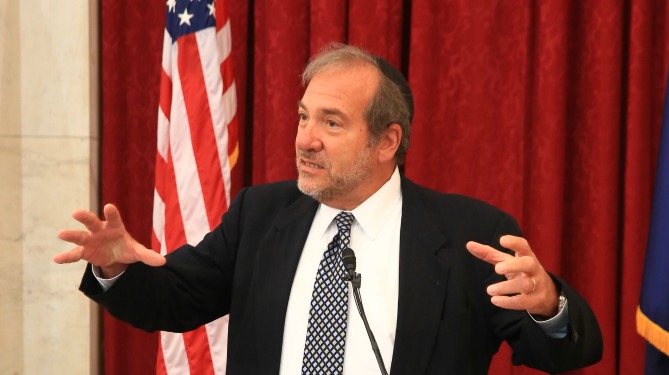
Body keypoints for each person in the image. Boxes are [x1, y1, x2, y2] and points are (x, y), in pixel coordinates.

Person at [55, 44, 602, 374]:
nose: (305, 139)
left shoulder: (470, 234)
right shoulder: (261, 214)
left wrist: (548, 307)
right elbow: (173, 302)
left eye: (331, 123)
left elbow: (561, 355)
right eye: (303, 117)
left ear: (387, 141)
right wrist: (114, 267)